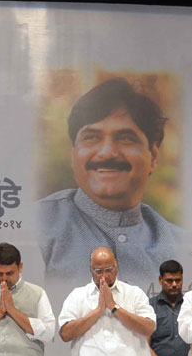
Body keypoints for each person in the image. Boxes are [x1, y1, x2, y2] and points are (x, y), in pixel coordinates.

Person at [39, 78, 183, 289]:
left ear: (153, 156)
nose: (107, 152)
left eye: (125, 138)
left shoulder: (180, 244)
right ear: (73, 155)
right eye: (91, 137)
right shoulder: (37, 227)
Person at [58, 246, 159, 356]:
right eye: (98, 271)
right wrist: (98, 310)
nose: (104, 276)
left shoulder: (134, 293)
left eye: (109, 269)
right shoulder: (77, 296)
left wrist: (114, 307)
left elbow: (148, 328)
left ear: (117, 267)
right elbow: (65, 334)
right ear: (90, 270)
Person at [148, 259, 189, 356]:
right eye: (169, 280)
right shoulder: (149, 307)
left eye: (178, 280)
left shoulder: (191, 306)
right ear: (160, 280)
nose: (174, 285)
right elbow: (145, 346)